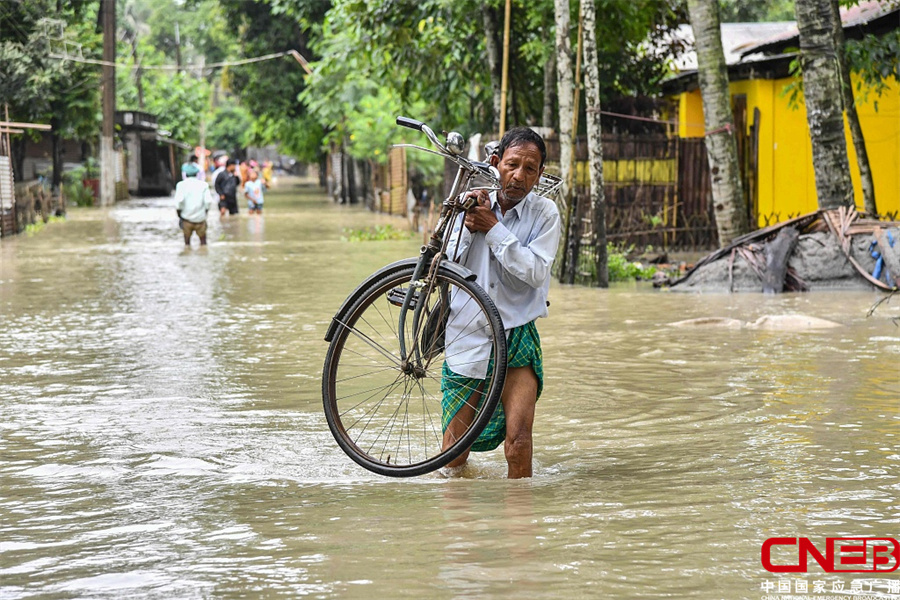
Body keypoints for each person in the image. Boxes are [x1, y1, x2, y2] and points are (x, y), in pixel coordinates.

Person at [441, 127, 561, 479]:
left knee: (519, 443)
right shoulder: (469, 202)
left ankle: (519, 527)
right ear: (496, 163)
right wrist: (467, 221)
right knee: (454, 453)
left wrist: (493, 228)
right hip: (468, 333)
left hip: (517, 333)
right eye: (512, 165)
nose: (519, 176)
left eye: (530, 169)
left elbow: (537, 272)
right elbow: (443, 262)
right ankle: (458, 530)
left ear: (539, 175)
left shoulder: (545, 214)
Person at [175, 173, 215, 246]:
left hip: (186, 219)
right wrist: (205, 212)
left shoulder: (181, 185)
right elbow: (208, 201)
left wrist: (179, 214)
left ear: (186, 174)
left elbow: (179, 201)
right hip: (200, 219)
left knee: (187, 244)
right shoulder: (204, 185)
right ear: (196, 174)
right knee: (203, 244)